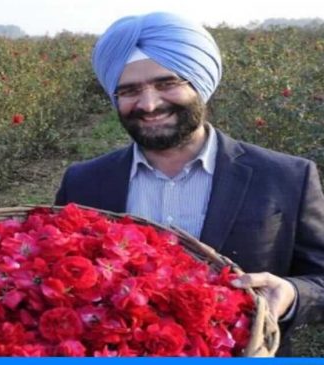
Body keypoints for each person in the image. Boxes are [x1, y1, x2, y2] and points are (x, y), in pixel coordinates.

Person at [55, 12, 324, 355]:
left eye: (167, 83)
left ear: (201, 84)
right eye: (130, 91)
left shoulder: (285, 178)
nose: (149, 104)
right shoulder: (84, 183)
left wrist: (292, 294)